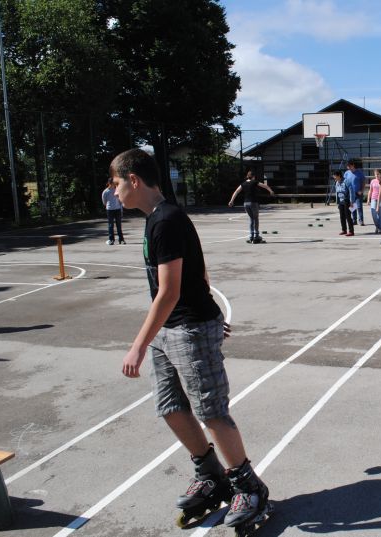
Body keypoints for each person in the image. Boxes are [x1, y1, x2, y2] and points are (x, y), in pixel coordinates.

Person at [110, 148, 269, 530]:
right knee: (169, 406)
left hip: (188, 329)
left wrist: (138, 345)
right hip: (171, 329)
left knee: (211, 411)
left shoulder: (166, 220)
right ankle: (210, 472)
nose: (113, 192)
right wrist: (211, 308)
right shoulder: (155, 219)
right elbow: (199, 270)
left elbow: (169, 292)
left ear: (134, 180)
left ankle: (248, 486)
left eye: (115, 183)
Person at [228, 170, 274, 244]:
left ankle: (251, 236)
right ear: (253, 177)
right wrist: (270, 191)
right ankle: (256, 236)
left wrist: (231, 201)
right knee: (256, 219)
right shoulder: (255, 182)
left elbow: (236, 191)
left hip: (246, 204)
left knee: (251, 219)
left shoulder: (243, 184)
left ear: (247, 177)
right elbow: (264, 185)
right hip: (253, 203)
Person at [102, 177, 125, 245]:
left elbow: (120, 200)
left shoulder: (117, 190)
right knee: (110, 225)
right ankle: (111, 239)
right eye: (113, 183)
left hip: (117, 209)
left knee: (119, 225)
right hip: (110, 210)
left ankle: (121, 239)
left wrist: (121, 209)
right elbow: (104, 202)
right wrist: (109, 206)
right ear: (109, 183)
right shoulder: (105, 192)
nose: (115, 184)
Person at [344, 159, 365, 226]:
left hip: (358, 192)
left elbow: (363, 182)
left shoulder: (359, 172)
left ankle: (361, 220)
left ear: (353, 165)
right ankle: (354, 220)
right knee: (352, 207)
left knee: (359, 207)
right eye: (347, 166)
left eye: (349, 166)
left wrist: (361, 190)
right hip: (350, 193)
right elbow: (345, 183)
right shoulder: (346, 173)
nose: (348, 168)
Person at [333, 170, 354, 236]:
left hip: (347, 200)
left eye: (335, 176)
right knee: (342, 216)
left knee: (348, 216)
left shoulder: (346, 181)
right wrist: (338, 203)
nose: (334, 178)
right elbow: (337, 193)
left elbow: (351, 192)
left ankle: (351, 231)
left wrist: (351, 201)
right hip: (341, 201)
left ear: (339, 175)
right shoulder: (337, 183)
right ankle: (344, 230)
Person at [368, 168, 381, 234]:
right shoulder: (372, 181)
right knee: (373, 213)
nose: (376, 175)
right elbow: (370, 190)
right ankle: (378, 226)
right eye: (375, 174)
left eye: (378, 174)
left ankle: (380, 228)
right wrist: (368, 199)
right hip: (373, 198)